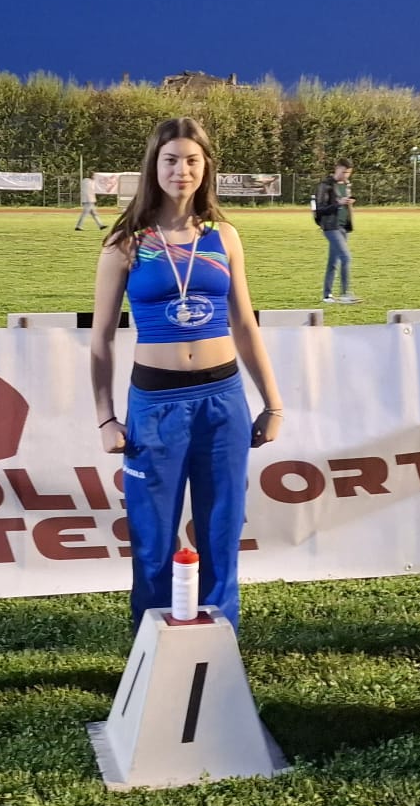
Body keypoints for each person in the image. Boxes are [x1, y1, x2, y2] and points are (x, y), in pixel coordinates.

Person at [91, 117, 285, 630]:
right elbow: (101, 339)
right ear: (153, 167)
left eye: (192, 160)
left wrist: (273, 403)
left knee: (221, 534)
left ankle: (221, 649)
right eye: (171, 160)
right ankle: (153, 654)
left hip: (223, 401)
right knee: (152, 542)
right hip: (156, 406)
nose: (182, 170)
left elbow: (245, 325)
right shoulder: (126, 242)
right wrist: (105, 418)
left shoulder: (224, 236)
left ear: (206, 167)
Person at [315, 161, 358, 305]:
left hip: (343, 227)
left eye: (349, 173)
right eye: (344, 172)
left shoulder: (346, 185)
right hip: (330, 227)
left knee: (333, 262)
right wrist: (338, 204)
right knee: (346, 257)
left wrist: (349, 201)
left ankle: (327, 295)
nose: (346, 175)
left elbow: (345, 203)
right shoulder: (325, 185)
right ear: (337, 169)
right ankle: (345, 294)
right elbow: (320, 209)